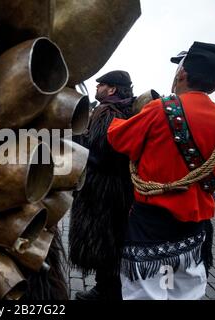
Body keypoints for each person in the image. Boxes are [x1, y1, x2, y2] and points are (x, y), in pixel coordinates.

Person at [107, 42, 215, 300]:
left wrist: (115, 115)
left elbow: (117, 139)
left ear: (182, 74)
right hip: (195, 227)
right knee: (186, 292)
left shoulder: (159, 109)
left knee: (144, 293)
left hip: (152, 221)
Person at [69, 70, 135, 300]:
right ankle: (109, 287)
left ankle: (105, 290)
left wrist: (77, 142)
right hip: (120, 188)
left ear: (112, 89)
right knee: (113, 240)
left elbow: (100, 154)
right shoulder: (127, 110)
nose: (97, 89)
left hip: (102, 189)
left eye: (101, 85)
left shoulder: (107, 112)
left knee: (102, 241)